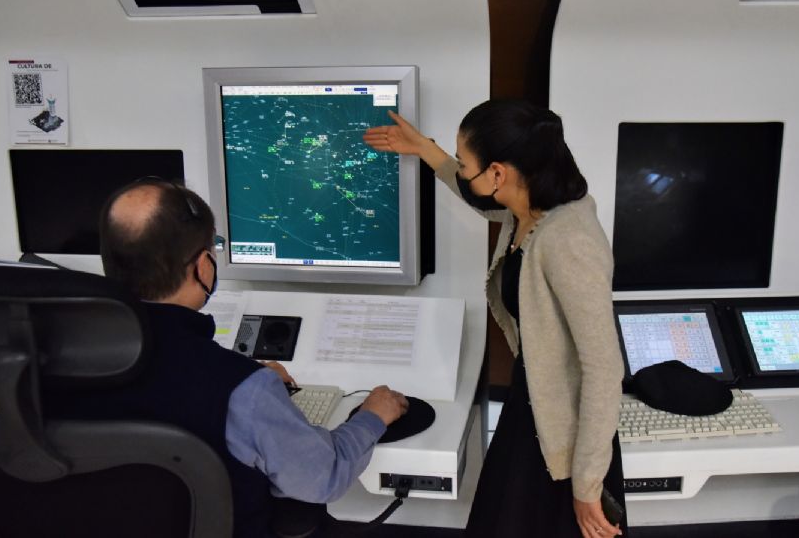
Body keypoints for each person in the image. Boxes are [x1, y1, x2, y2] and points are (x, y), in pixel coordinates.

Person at [46, 179, 409, 538]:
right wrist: (371, 416)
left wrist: (252, 385)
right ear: (203, 266)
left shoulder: (52, 358)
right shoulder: (241, 388)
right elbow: (323, 477)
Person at [364, 100, 627, 538]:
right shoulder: (525, 209)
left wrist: (586, 486)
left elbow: (603, 369)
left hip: (565, 430)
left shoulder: (569, 240)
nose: (463, 173)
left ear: (499, 173)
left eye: (466, 163)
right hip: (533, 402)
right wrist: (423, 150)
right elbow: (484, 204)